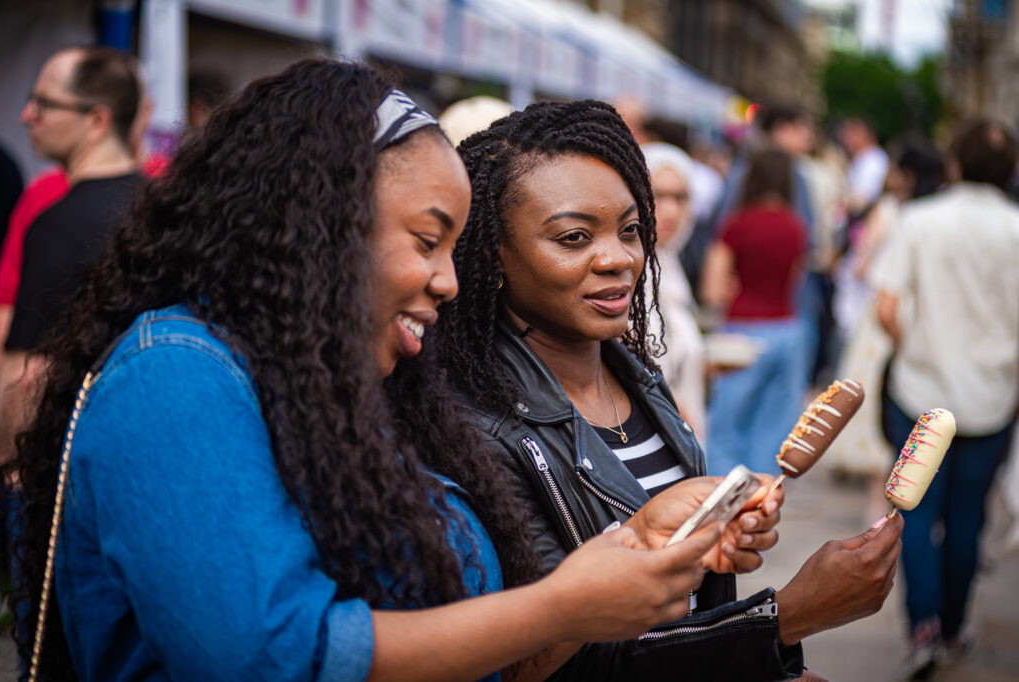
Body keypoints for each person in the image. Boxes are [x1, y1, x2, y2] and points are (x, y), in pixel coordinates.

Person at [3, 58, 732, 682]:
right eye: (426, 241)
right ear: (321, 225)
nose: (448, 282)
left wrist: (626, 544)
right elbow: (277, 657)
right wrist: (563, 604)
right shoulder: (174, 376)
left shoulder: (339, 384)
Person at [436, 99, 904, 682]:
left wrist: (709, 543)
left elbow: (686, 620)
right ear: (491, 252)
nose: (618, 259)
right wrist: (786, 617)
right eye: (575, 237)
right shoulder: (474, 424)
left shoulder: (641, 378)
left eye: (630, 230)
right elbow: (538, 667)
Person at [874, 118, 1019, 679]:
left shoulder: (920, 220)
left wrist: (920, 348)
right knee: (966, 518)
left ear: (954, 163)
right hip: (992, 398)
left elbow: (886, 307)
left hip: (920, 395)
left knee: (914, 513)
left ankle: (922, 629)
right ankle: (955, 627)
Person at [0, 46, 144, 474]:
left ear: (97, 121)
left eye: (44, 103)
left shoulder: (58, 224)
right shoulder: (157, 207)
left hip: (61, 468)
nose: (27, 116)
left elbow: (27, 377)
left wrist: (10, 473)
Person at [827, 137, 944, 518]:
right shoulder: (937, 215)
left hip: (885, 319)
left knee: (877, 408)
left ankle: (878, 505)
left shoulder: (893, 211)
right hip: (928, 322)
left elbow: (862, 267)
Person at [701, 149, 808, 477]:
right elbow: (795, 282)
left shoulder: (736, 225)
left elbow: (710, 290)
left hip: (742, 332)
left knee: (725, 428)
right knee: (773, 430)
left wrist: (732, 287)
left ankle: (726, 500)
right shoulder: (796, 227)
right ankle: (762, 500)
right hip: (788, 330)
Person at [640, 142, 707, 435]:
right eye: (659, 195)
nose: (671, 210)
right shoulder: (624, 272)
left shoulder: (670, 266)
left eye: (681, 197)